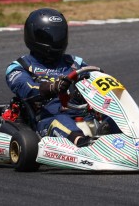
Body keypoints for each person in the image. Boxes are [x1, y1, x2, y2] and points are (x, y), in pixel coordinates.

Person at [5, 8, 92, 147]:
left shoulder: (76, 63)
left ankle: (135, 140)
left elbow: (93, 82)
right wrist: (52, 87)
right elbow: (27, 89)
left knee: (110, 115)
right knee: (61, 121)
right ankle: (82, 143)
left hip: (83, 114)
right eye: (51, 35)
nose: (57, 40)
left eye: (59, 34)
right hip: (46, 120)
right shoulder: (20, 66)